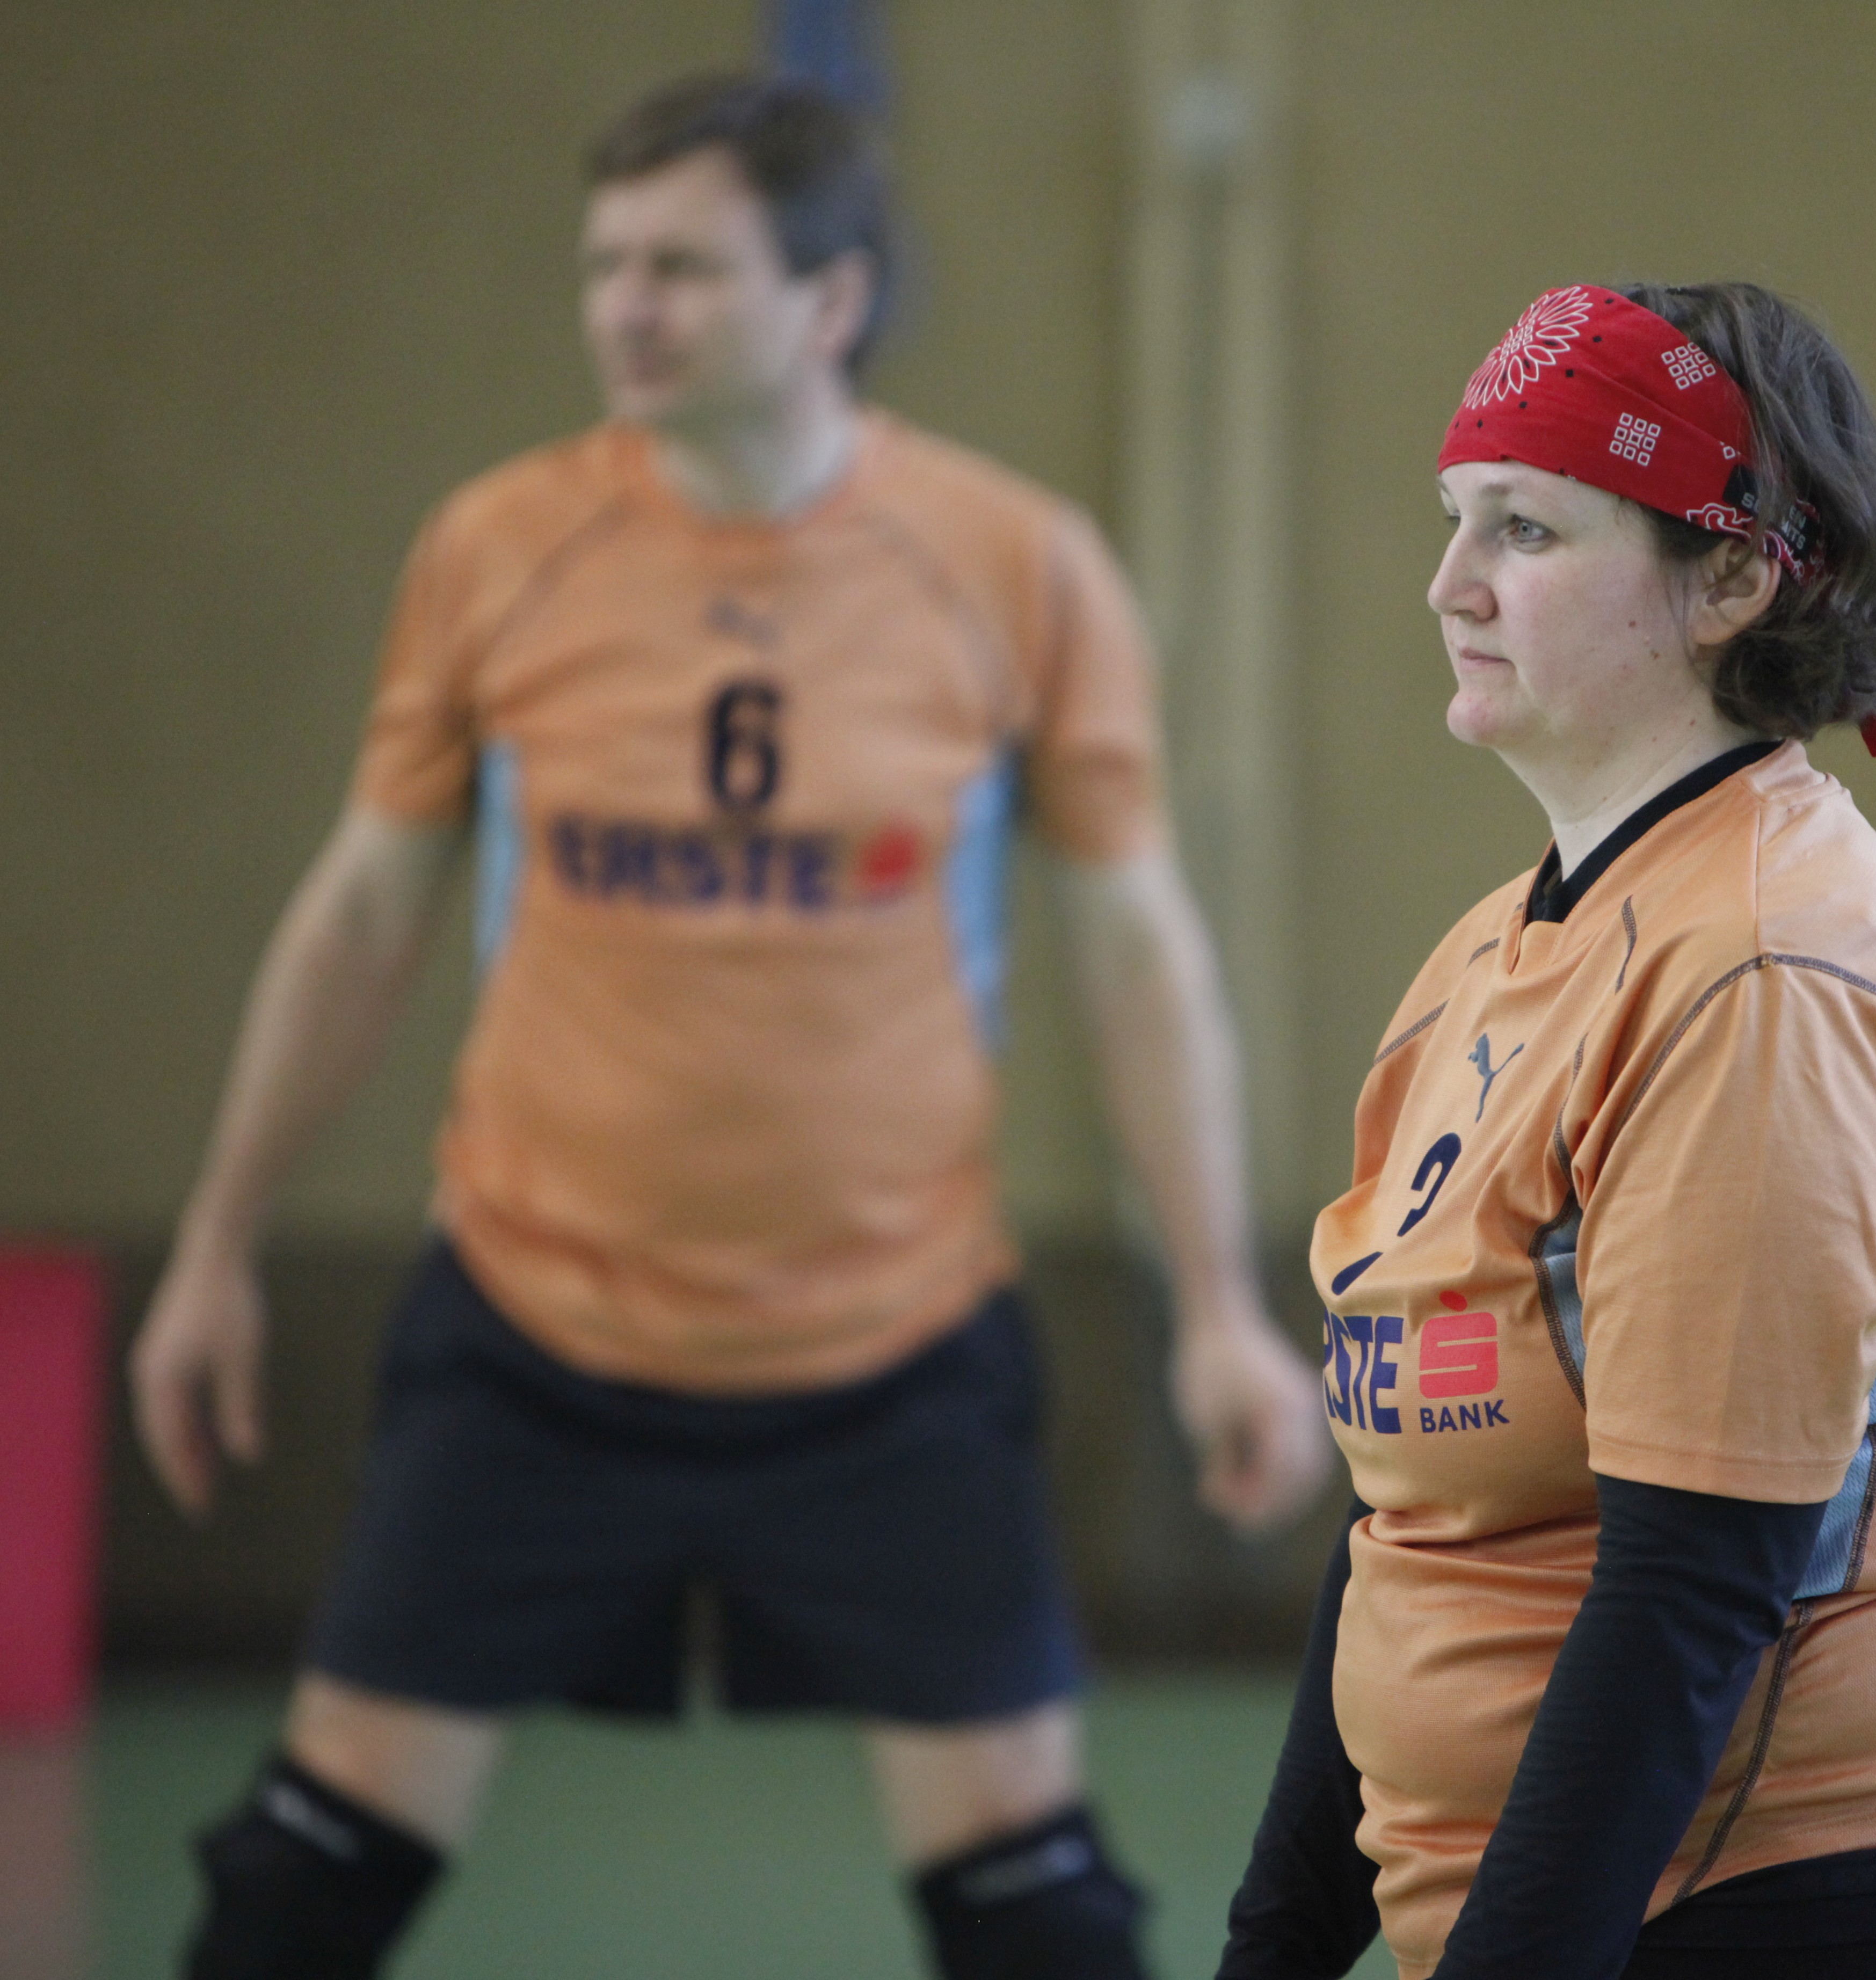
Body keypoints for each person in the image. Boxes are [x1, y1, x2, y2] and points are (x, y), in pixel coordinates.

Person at [128, 70, 1330, 1980]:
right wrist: (213, 1249)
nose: (625, 306)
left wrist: (1212, 1311)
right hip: (532, 1331)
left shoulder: (1012, 565)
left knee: (1041, 1920)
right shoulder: (497, 546)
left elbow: (1138, 952)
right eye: (606, 263)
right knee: (293, 1891)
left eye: (683, 268)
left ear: (830, 299)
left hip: (890, 1350)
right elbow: (362, 909)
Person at [1215, 282, 1876, 1979]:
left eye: (1525, 529)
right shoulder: (1502, 950)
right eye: (1453, 518)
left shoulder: (1758, 975)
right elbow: (1409, 1528)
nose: (1450, 583)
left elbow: (1689, 1595)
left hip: (1815, 1911)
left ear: (1726, 581)